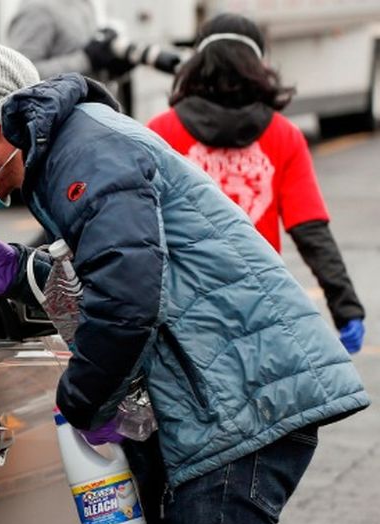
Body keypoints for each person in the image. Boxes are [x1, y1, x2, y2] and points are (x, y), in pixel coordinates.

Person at [0, 44, 369, 524]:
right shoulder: (71, 154)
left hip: (240, 412)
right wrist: (25, 266)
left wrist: (82, 398)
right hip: (222, 403)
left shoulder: (86, 152)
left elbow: (129, 295)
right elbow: (113, 263)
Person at [147, 13, 366, 355]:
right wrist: (345, 306)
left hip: (183, 305)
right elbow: (310, 230)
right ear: (258, 66)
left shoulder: (162, 132)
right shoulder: (283, 135)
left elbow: (135, 223)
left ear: (197, 64)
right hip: (257, 306)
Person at [6, 0, 133, 81]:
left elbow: (89, 66)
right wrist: (86, 59)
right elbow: (20, 75)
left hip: (91, 113)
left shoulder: (84, 4)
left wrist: (111, 69)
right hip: (59, 118)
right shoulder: (36, 7)